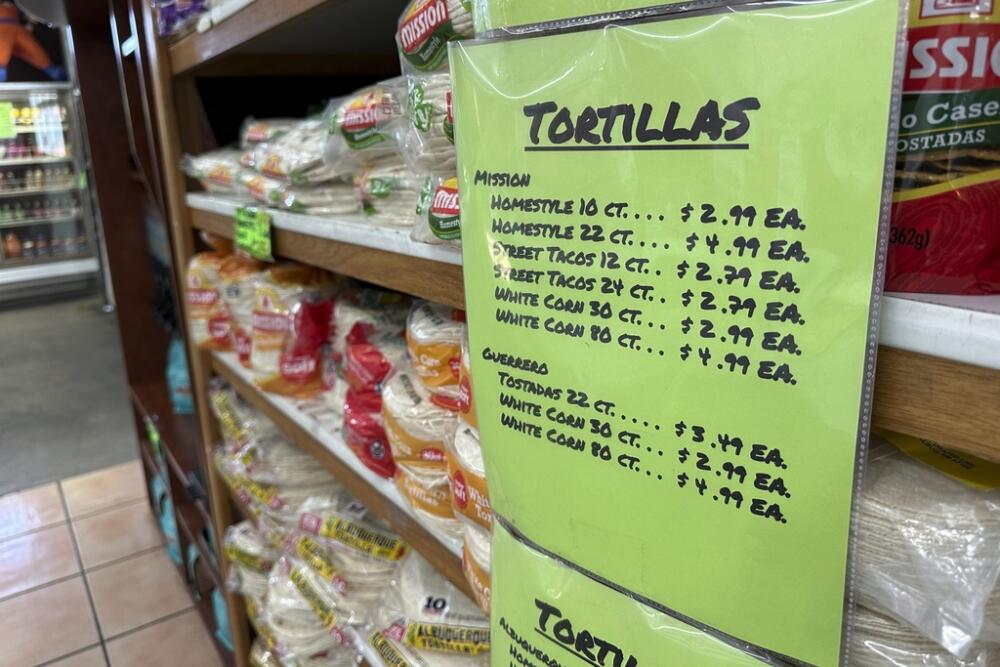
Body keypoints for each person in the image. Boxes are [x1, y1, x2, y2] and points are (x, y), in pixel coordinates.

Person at [0, 2, 64, 82]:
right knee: (2, 54)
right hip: (3, 29)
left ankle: (51, 70)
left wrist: (30, 23)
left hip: (17, 27)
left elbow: (30, 14)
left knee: (34, 50)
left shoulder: (17, 5)